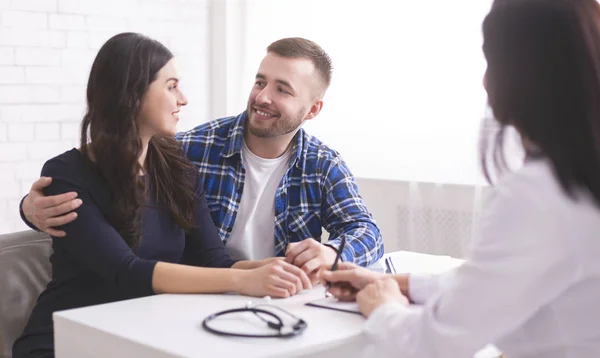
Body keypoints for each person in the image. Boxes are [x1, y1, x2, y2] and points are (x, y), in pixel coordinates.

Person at [321, 0, 600, 357]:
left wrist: (383, 305)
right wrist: (395, 283)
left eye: (492, 62)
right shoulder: (578, 179)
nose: (486, 81)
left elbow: (433, 344)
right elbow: (492, 283)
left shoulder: (535, 196)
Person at [12, 32, 312, 358]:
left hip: (143, 339)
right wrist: (245, 282)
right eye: (171, 86)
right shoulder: (69, 174)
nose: (183, 98)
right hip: (66, 343)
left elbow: (215, 261)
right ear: (132, 93)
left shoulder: (176, 167)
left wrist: (279, 268)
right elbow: (126, 271)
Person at [18, 37, 384, 280]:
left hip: (260, 294)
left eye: (282, 89)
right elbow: (101, 187)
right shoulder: (191, 148)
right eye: (260, 82)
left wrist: (330, 253)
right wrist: (29, 208)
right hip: (207, 295)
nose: (262, 97)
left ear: (312, 109)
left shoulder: (322, 165)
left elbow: (367, 232)